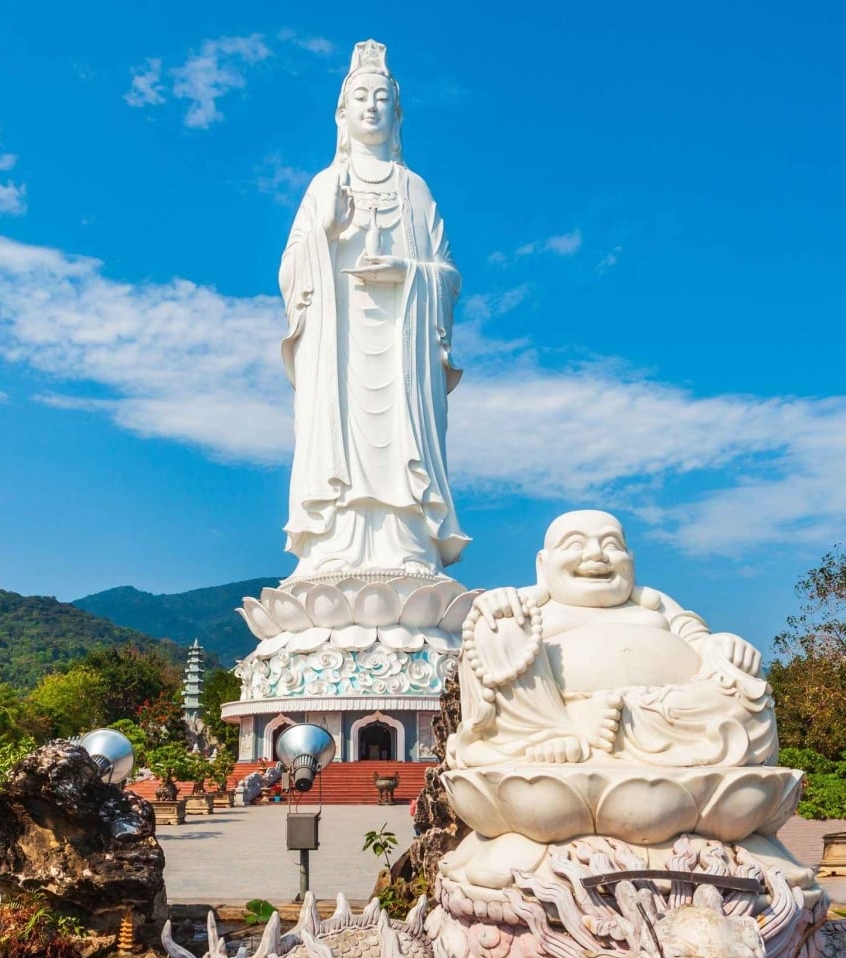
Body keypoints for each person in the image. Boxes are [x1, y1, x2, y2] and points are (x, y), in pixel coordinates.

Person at [279, 40, 469, 577]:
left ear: (396, 112)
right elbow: (290, 270)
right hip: (338, 345)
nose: (371, 106)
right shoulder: (323, 185)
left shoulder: (416, 190)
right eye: (360, 96)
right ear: (342, 114)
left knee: (401, 440)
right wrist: (327, 231)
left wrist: (407, 274)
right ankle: (334, 545)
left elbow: (448, 275)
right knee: (337, 436)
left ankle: (407, 543)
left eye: (381, 97)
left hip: (401, 348)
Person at [449, 510, 776, 769]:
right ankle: (557, 730)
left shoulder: (655, 604)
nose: (596, 555)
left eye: (611, 545)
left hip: (670, 716)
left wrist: (720, 645)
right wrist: (491, 606)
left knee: (746, 693)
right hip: (552, 722)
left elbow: (698, 639)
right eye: (575, 544)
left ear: (630, 560)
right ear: (543, 565)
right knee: (497, 628)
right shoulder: (528, 606)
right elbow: (481, 652)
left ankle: (609, 727)